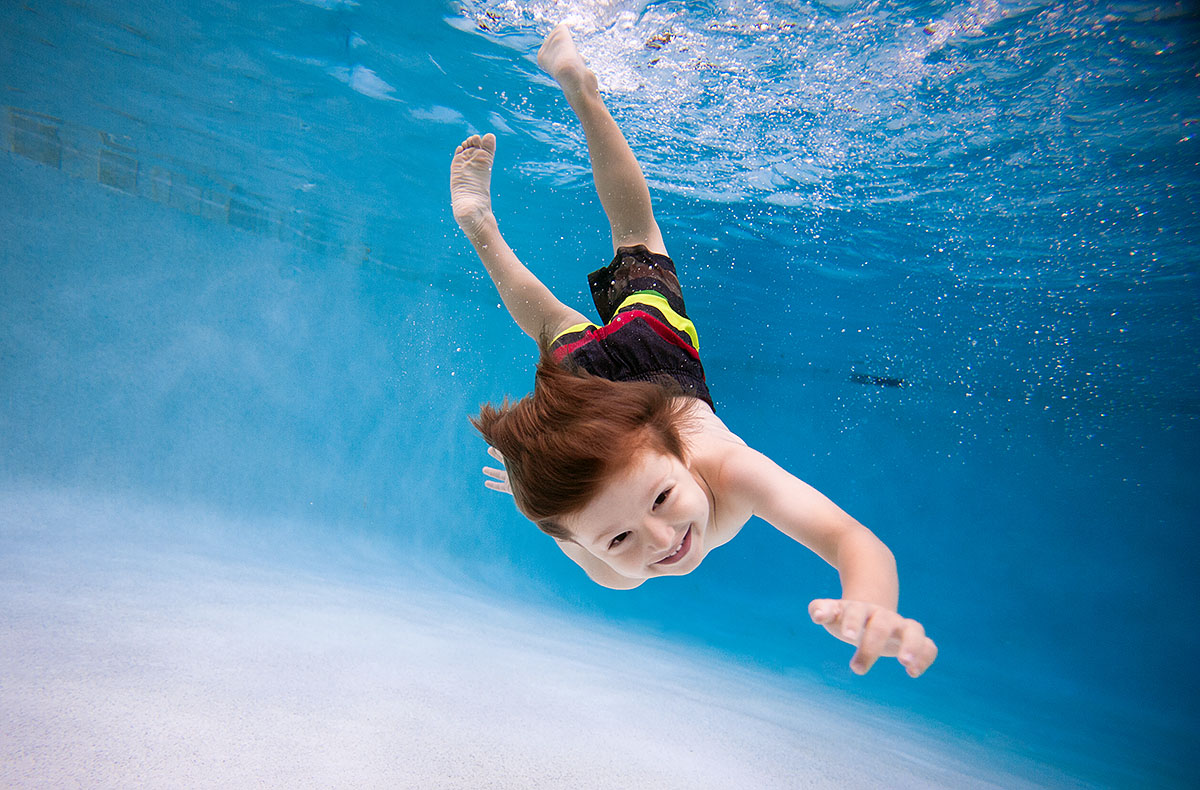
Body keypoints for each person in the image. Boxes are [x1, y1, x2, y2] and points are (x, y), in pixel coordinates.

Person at [449, 23, 937, 678]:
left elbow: (854, 544)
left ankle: (581, 99)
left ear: (681, 452)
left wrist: (872, 602)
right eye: (618, 536)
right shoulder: (611, 561)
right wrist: (526, 485)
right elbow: (562, 527)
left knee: (618, 248)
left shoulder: (729, 471)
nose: (662, 540)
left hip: (648, 365)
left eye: (658, 499)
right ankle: (480, 223)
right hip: (619, 399)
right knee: (560, 317)